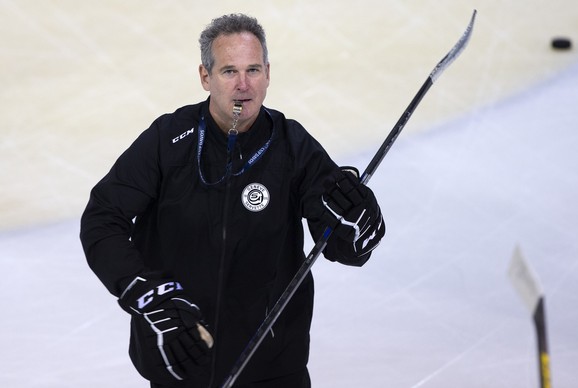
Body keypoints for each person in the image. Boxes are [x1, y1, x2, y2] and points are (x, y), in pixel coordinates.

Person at [80, 13, 385, 388]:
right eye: (229, 72)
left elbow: (342, 242)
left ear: (268, 74)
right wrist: (149, 296)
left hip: (272, 368)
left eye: (253, 70)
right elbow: (102, 219)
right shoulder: (168, 139)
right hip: (183, 358)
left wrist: (359, 224)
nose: (243, 85)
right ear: (205, 77)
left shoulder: (293, 146)